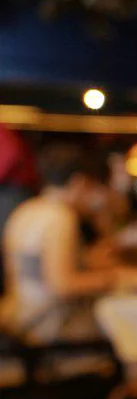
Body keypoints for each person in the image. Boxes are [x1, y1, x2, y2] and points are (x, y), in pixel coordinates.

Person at [0, 142, 117, 345]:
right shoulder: (60, 217)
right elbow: (62, 284)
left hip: (19, 316)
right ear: (78, 182)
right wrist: (116, 279)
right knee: (128, 329)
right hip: (49, 324)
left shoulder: (25, 210)